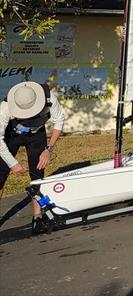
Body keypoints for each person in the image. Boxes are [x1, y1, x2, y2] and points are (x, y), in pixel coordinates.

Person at [0, 81, 65, 234]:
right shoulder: (5, 107)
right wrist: (13, 164)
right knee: (0, 175)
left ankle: (37, 217)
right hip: (12, 135)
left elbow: (59, 120)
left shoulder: (49, 98)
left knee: (37, 174)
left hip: (36, 136)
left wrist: (48, 149)